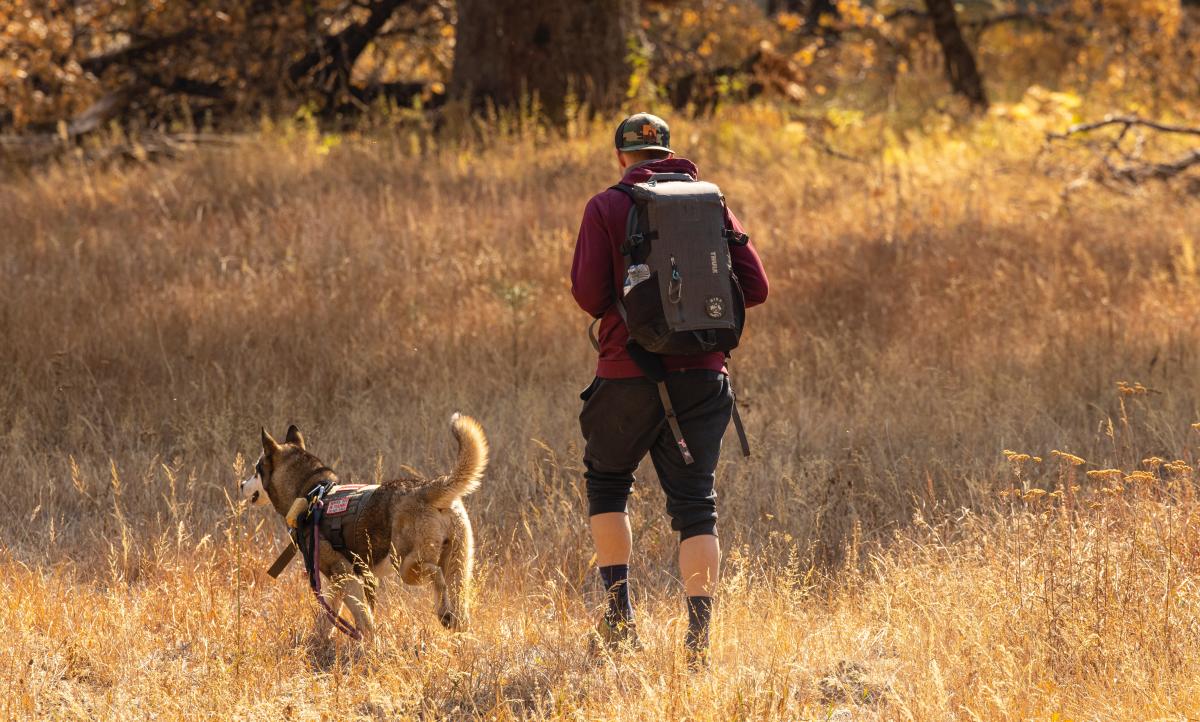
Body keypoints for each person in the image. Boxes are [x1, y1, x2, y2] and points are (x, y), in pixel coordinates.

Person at [570, 112, 769, 667]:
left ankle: (618, 620)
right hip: (704, 375)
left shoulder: (606, 206)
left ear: (621, 157)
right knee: (696, 507)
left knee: (608, 485)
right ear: (670, 153)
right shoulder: (710, 201)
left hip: (625, 374)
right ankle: (698, 643)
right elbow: (755, 287)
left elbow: (589, 295)